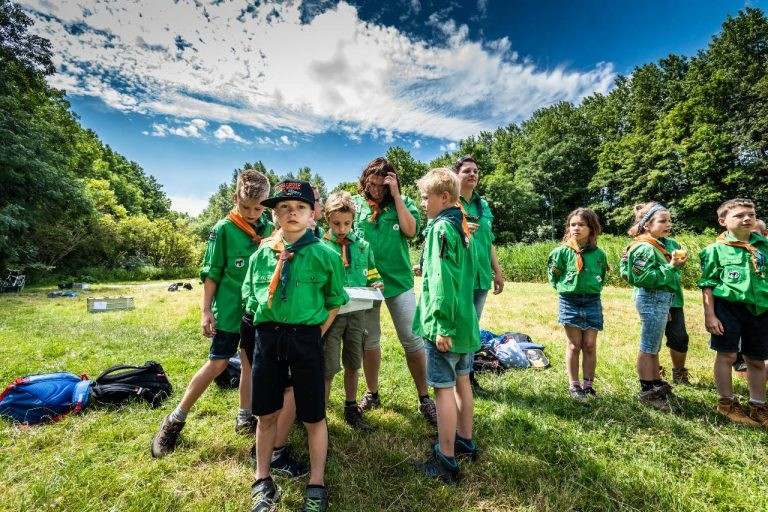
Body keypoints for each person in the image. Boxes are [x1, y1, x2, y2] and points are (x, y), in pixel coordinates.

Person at [150, 170, 273, 458]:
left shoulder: (269, 227)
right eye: (246, 207)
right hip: (229, 310)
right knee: (218, 363)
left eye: (258, 208)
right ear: (235, 199)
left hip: (255, 311)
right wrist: (206, 310)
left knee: (248, 363)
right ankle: (175, 419)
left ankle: (245, 414)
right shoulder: (223, 229)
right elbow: (212, 273)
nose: (253, 213)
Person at [244, 179, 348, 512]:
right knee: (266, 413)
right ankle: (262, 479)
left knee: (314, 414)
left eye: (300, 207)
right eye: (284, 207)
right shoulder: (261, 253)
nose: (292, 213)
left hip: (306, 338)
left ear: (312, 213)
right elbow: (249, 295)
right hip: (269, 337)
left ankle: (316, 482)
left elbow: (335, 299)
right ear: (274, 214)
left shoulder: (325, 255)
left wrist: (318, 330)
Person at [352, 157, 437, 425]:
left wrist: (397, 195)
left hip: (399, 283)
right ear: (365, 181)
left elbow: (411, 231)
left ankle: (425, 398)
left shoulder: (403, 203)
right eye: (372, 184)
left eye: (382, 185)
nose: (377, 190)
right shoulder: (356, 206)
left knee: (412, 341)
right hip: (367, 285)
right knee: (370, 342)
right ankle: (372, 392)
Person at [412, 168, 479, 483]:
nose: (422, 203)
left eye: (426, 197)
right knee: (463, 381)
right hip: (465, 323)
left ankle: (446, 457)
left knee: (443, 389)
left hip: (446, 325)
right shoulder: (463, 226)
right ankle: (465, 439)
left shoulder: (440, 229)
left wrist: (440, 326)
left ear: (444, 197)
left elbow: (441, 282)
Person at [699, 198, 768, 429]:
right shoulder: (714, 250)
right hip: (727, 308)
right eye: (739, 215)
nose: (747, 218)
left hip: (759, 309)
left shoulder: (764, 246)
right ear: (723, 221)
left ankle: (758, 405)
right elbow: (707, 284)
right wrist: (710, 315)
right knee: (727, 355)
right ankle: (727, 403)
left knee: (756, 359)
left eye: (751, 214)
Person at [320, 191, 383, 430]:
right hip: (331, 316)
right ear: (327, 220)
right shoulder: (322, 246)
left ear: (353, 220)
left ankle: (350, 407)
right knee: (328, 366)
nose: (342, 229)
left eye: (347, 223)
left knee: (353, 363)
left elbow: (372, 271)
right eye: (336, 224)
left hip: (357, 313)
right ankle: (321, 415)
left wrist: (376, 282)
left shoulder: (363, 246)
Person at [619, 202, 687, 412]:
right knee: (648, 346)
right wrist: (671, 267)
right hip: (652, 298)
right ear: (647, 225)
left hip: (662, 298)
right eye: (663, 221)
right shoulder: (644, 247)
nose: (668, 224)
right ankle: (647, 389)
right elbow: (644, 278)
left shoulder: (659, 244)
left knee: (654, 345)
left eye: (669, 220)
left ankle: (656, 382)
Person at [451, 156, 505, 392]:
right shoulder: (450, 202)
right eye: (466, 171)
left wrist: (498, 271)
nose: (472, 174)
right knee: (457, 325)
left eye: (475, 171)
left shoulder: (483, 206)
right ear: (456, 176)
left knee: (473, 327)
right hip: (460, 274)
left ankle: (468, 376)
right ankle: (453, 376)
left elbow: (489, 240)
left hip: (481, 274)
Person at [547, 208, 608, 401]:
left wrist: (592, 285)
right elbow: (553, 276)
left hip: (591, 300)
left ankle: (588, 385)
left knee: (589, 345)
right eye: (573, 224)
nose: (576, 228)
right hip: (570, 300)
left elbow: (602, 275)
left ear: (591, 229)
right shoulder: (561, 252)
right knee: (574, 345)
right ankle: (574, 386)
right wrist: (566, 288)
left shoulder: (599, 254)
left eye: (581, 225)